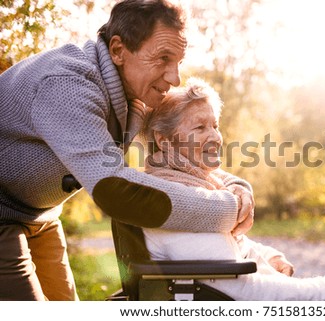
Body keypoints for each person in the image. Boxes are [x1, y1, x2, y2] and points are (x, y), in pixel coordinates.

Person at [0, 0, 254, 301]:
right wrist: (227, 209)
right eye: (162, 58)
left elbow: (180, 150)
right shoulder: (67, 84)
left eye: (178, 62)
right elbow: (116, 191)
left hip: (39, 216)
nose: (175, 78)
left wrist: (235, 186)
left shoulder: (134, 91)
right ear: (118, 50)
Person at [141, 77, 325, 300]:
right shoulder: (174, 198)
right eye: (200, 127)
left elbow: (220, 248)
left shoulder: (191, 185)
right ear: (164, 141)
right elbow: (244, 292)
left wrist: (266, 257)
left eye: (215, 126)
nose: (215, 137)